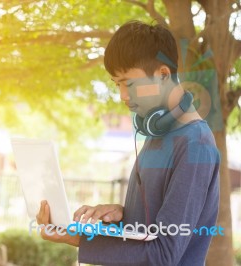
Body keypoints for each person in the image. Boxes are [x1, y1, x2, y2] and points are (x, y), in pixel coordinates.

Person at [36, 20, 220, 265]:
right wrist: (122, 218)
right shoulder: (158, 131)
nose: (123, 95)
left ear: (163, 74)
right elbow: (149, 230)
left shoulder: (195, 144)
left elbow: (163, 254)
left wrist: (79, 239)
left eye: (129, 83)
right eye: (117, 84)